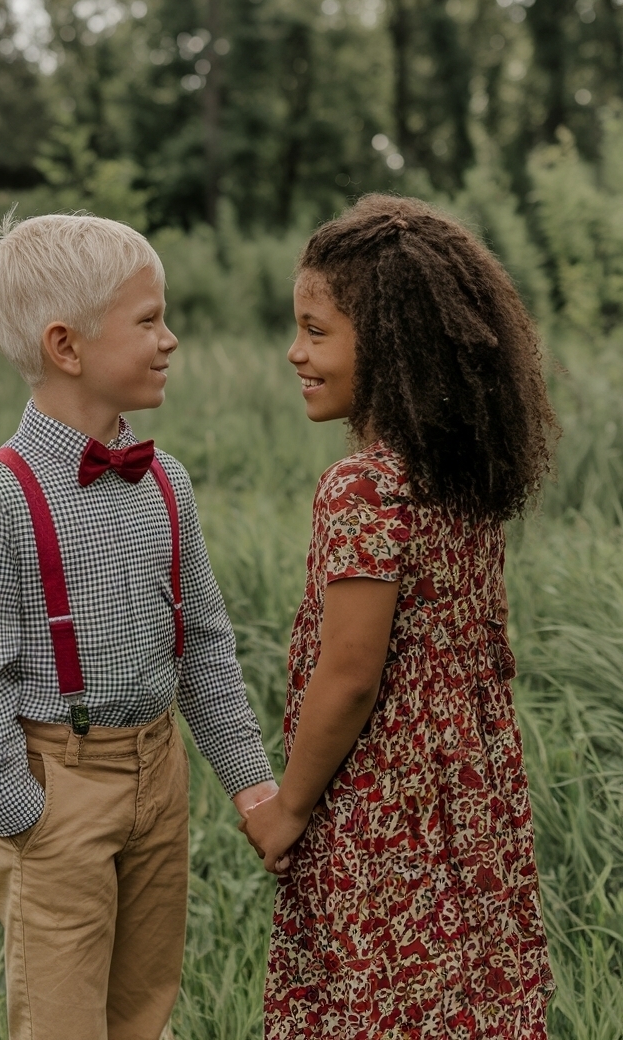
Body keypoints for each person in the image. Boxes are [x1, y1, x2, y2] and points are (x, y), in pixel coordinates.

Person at [0, 212, 276, 1040]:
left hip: (162, 773)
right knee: (61, 1020)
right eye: (150, 320)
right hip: (60, 787)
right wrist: (29, 819)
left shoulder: (167, 483)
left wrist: (250, 781)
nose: (172, 339)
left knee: (142, 1006)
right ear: (67, 345)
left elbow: (206, 648)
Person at [242, 195, 557, 1038]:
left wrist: (291, 807)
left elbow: (350, 677)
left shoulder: (366, 487)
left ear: (389, 347)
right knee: (459, 999)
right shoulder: (459, 475)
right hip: (468, 791)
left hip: (384, 800)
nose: (294, 352)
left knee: (374, 997)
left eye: (316, 331)